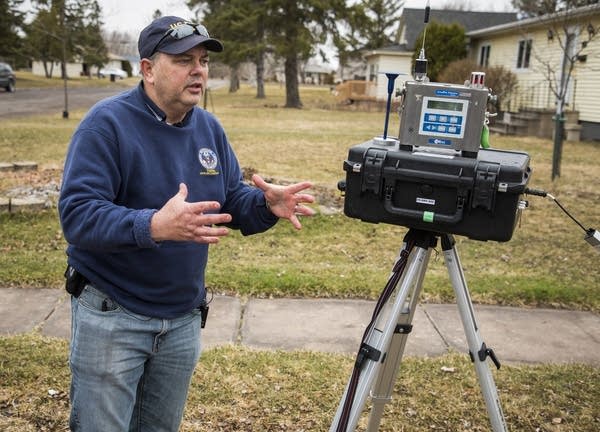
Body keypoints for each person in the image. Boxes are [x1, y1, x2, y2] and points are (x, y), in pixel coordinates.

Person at [58, 15, 315, 432]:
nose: (198, 70)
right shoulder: (106, 126)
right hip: (113, 315)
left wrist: (267, 206)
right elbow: (78, 215)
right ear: (147, 69)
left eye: (203, 61)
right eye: (182, 60)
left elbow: (230, 199)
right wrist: (154, 225)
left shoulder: (208, 128)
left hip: (180, 320)